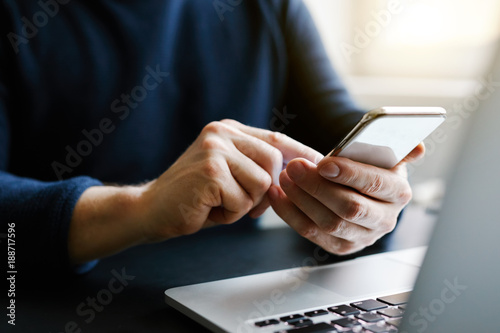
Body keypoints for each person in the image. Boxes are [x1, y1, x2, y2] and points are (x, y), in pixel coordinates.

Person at [0, 0, 423, 274]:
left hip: (232, 299)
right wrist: (142, 209)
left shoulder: (268, 8)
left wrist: (376, 192)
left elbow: (336, 124)